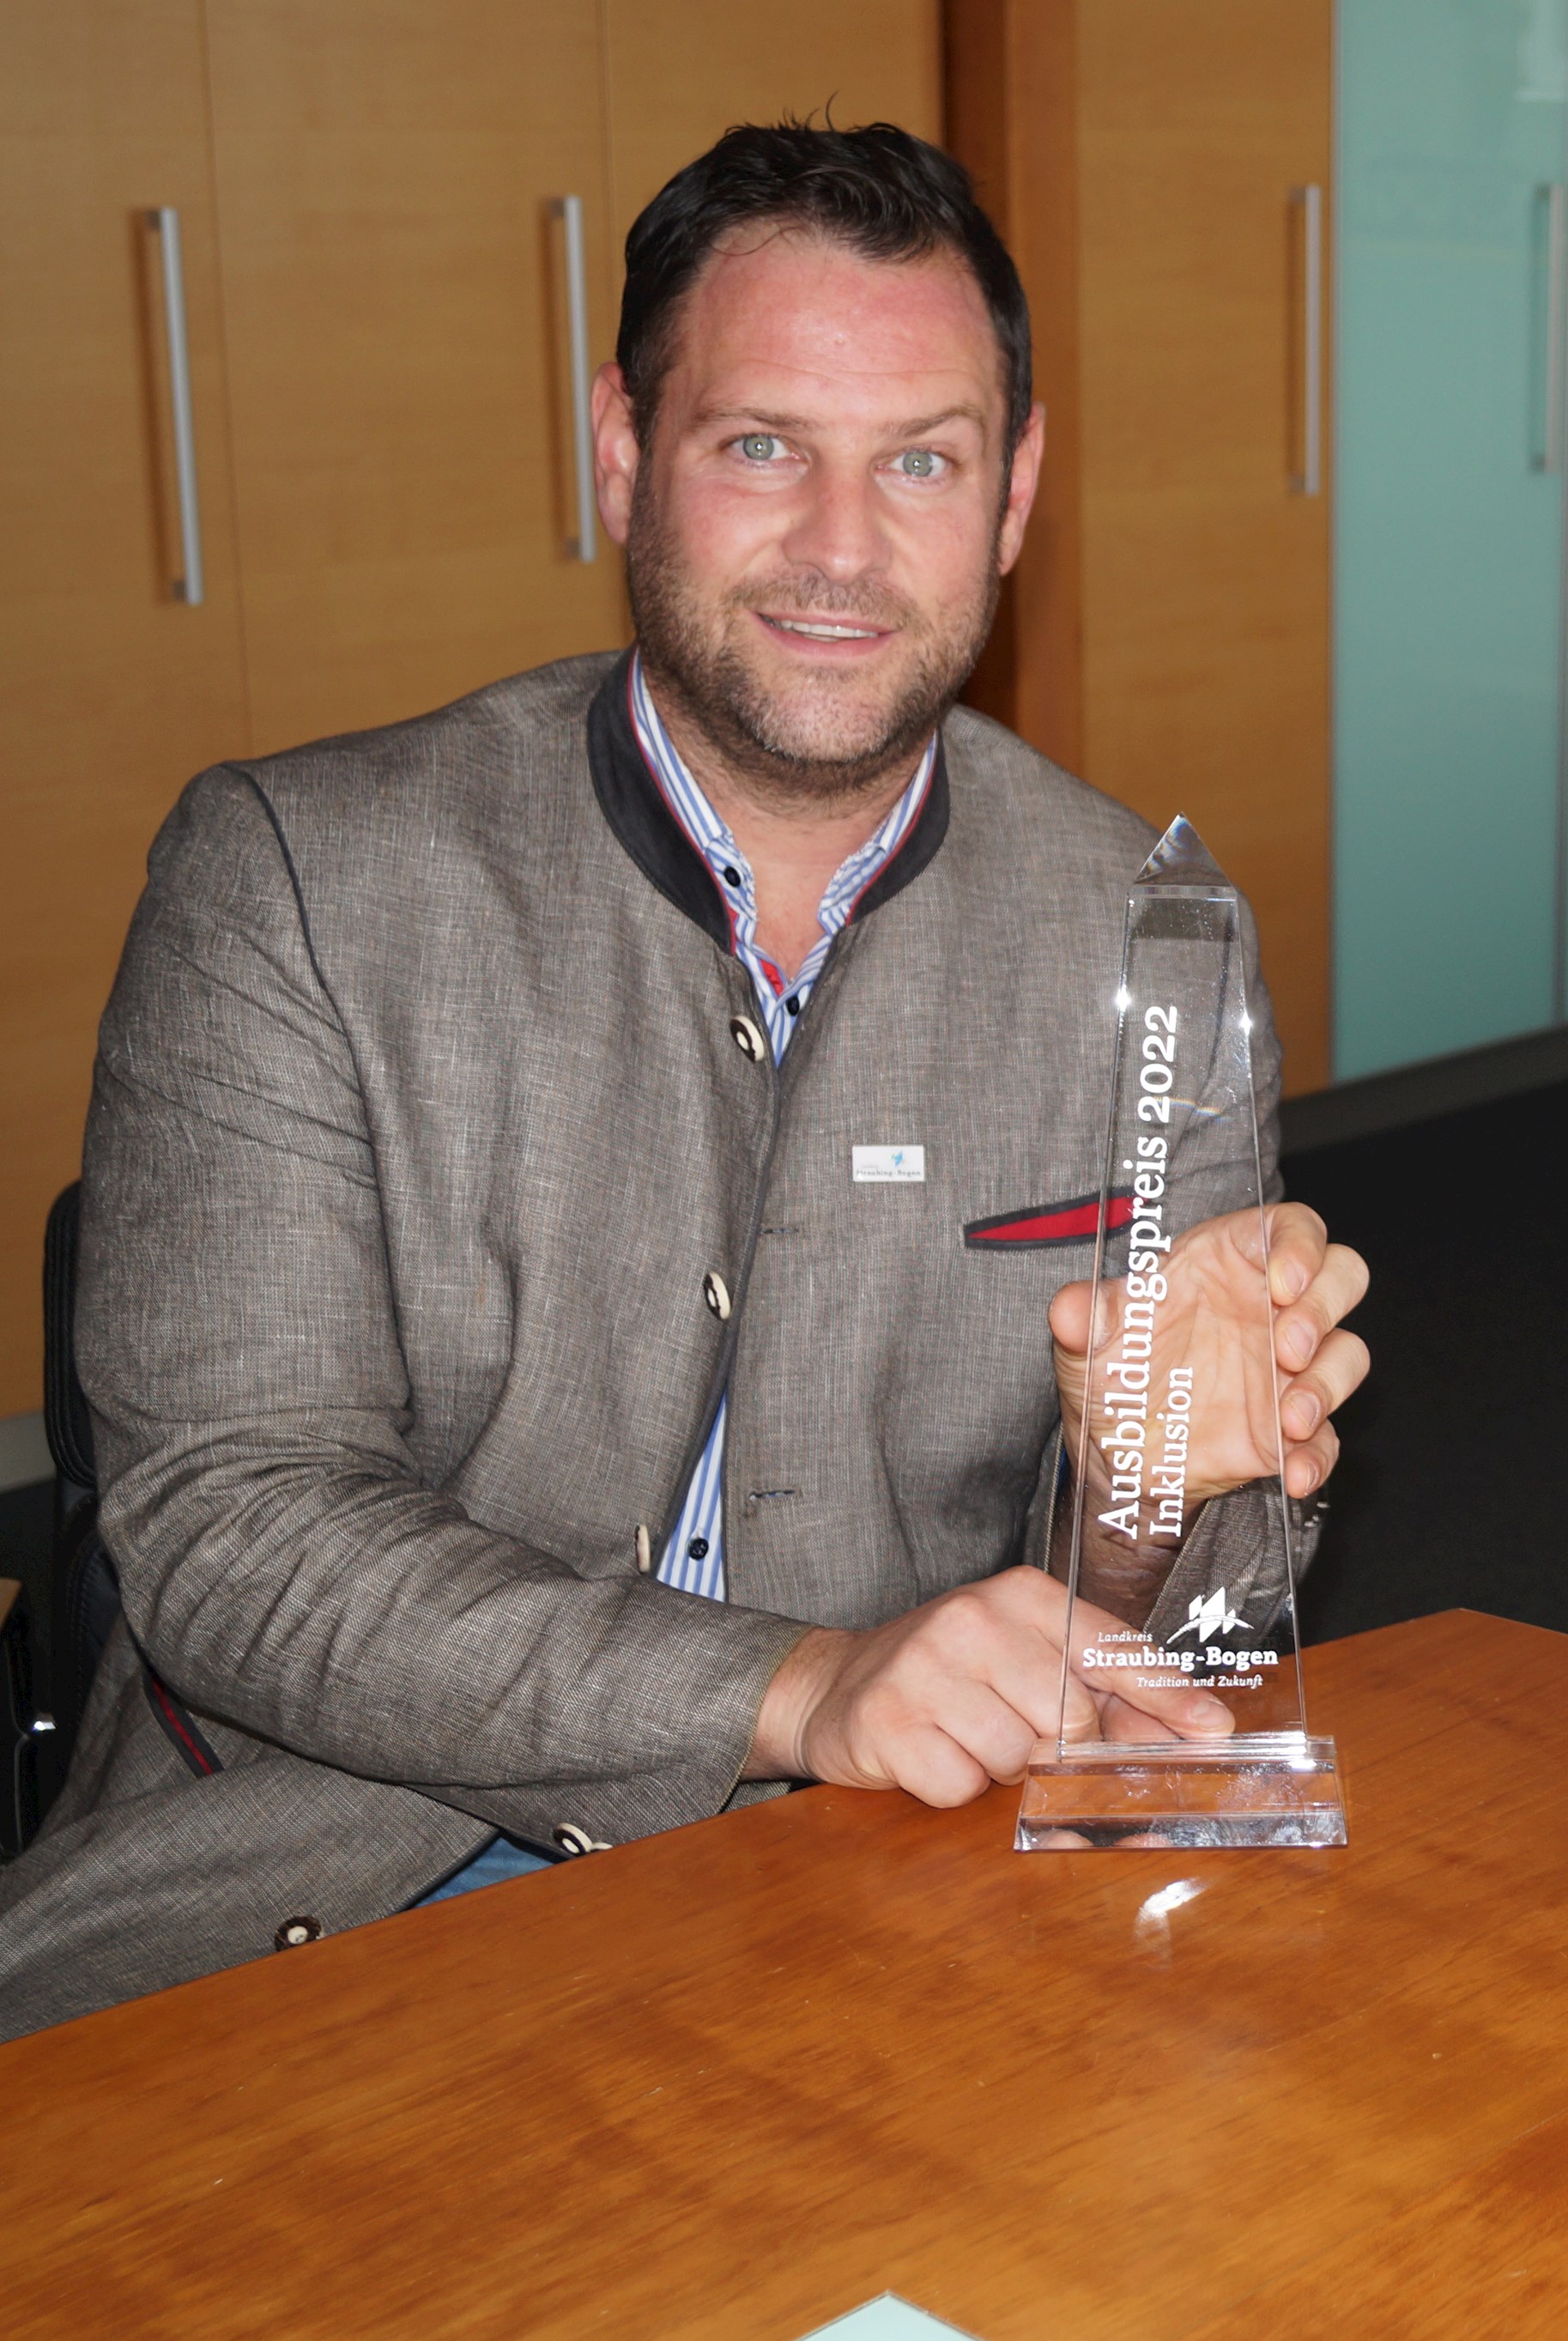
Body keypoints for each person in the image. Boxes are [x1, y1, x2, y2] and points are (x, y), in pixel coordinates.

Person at [0, 124, 1369, 2037]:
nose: (841, 545)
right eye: (759, 446)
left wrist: (1160, 1481)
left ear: (1015, 492)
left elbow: (1142, 1599)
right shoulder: (297, 882)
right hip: (343, 1889)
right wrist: (795, 1687)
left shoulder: (1148, 927)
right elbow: (242, 1536)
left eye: (920, 460)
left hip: (893, 1886)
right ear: (623, 453)